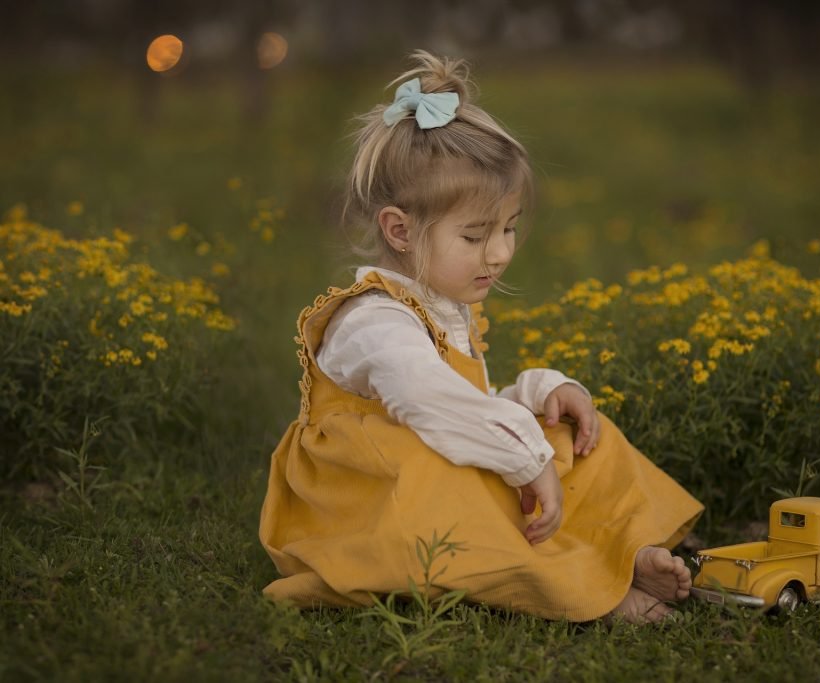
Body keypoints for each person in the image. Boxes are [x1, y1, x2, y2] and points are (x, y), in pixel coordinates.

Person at [259, 51, 703, 624]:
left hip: (435, 459)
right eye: (474, 236)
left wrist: (533, 397)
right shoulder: (374, 322)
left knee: (571, 435)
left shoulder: (442, 307)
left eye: (509, 229)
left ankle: (624, 548)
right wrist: (524, 452)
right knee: (451, 477)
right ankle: (594, 591)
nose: (499, 253)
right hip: (367, 508)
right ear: (400, 230)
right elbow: (429, 403)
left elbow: (467, 410)